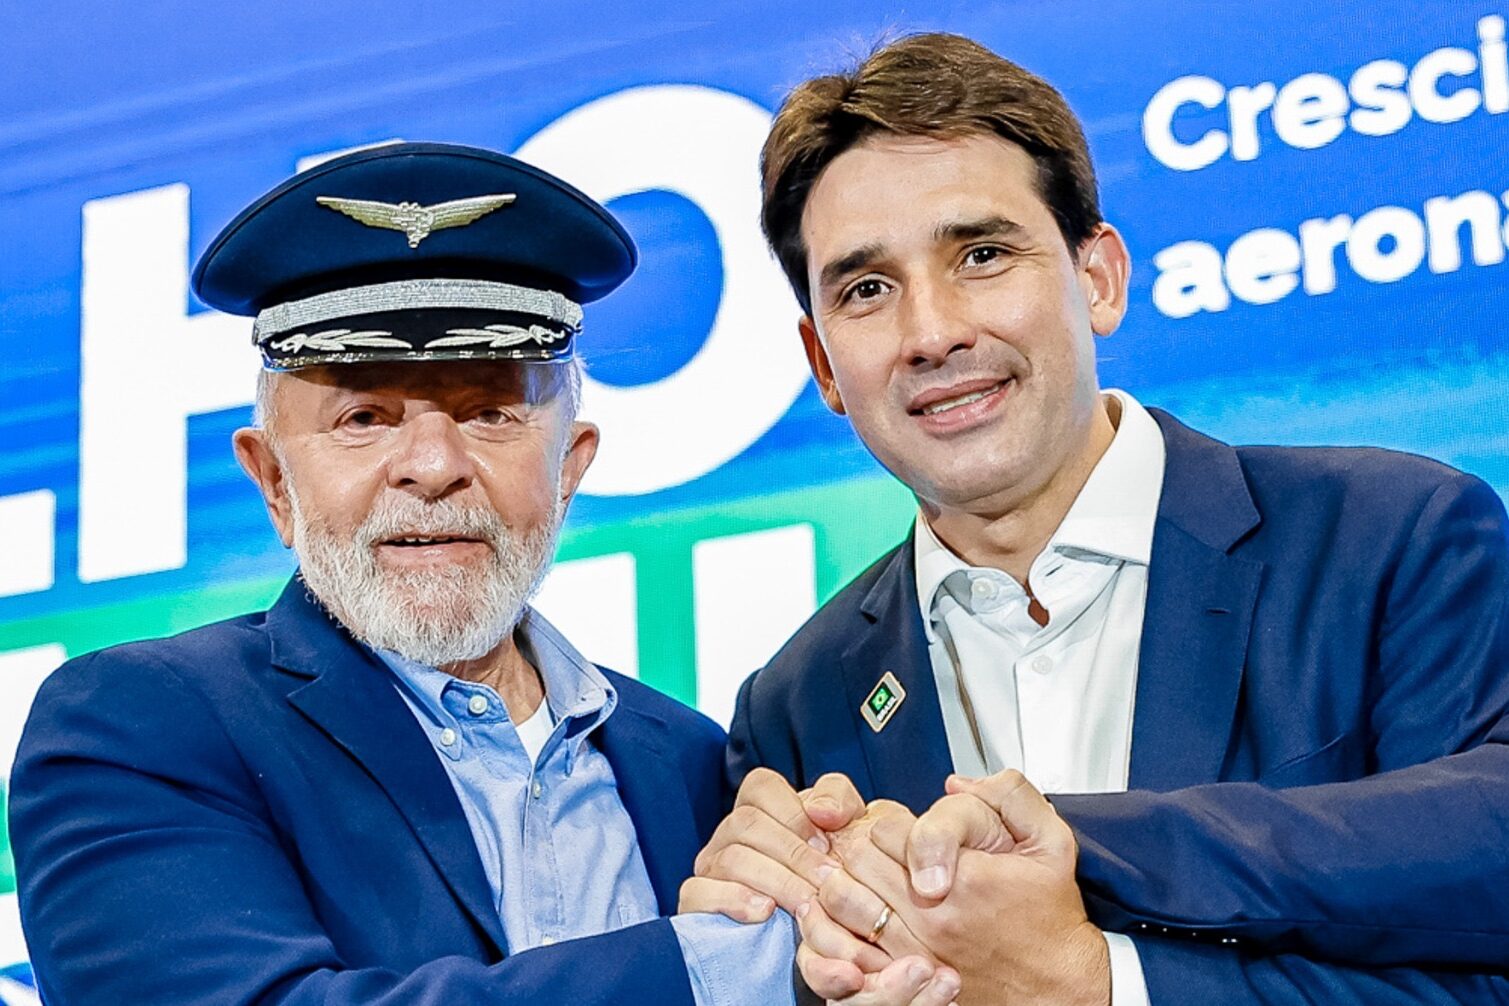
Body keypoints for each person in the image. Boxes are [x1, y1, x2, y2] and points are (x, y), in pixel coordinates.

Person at [680, 33, 1509, 1005]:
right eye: (868, 289)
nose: (932, 332)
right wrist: (745, 957)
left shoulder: (1392, 537)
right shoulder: (794, 707)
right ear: (824, 365)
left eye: (982, 254)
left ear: (1099, 279)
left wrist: (1089, 945)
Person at [10, 142, 796, 1005]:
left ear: (568, 469)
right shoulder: (140, 726)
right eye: (364, 417)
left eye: (489, 412)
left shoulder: (688, 758)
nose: (432, 466)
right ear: (273, 482)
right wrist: (732, 967)